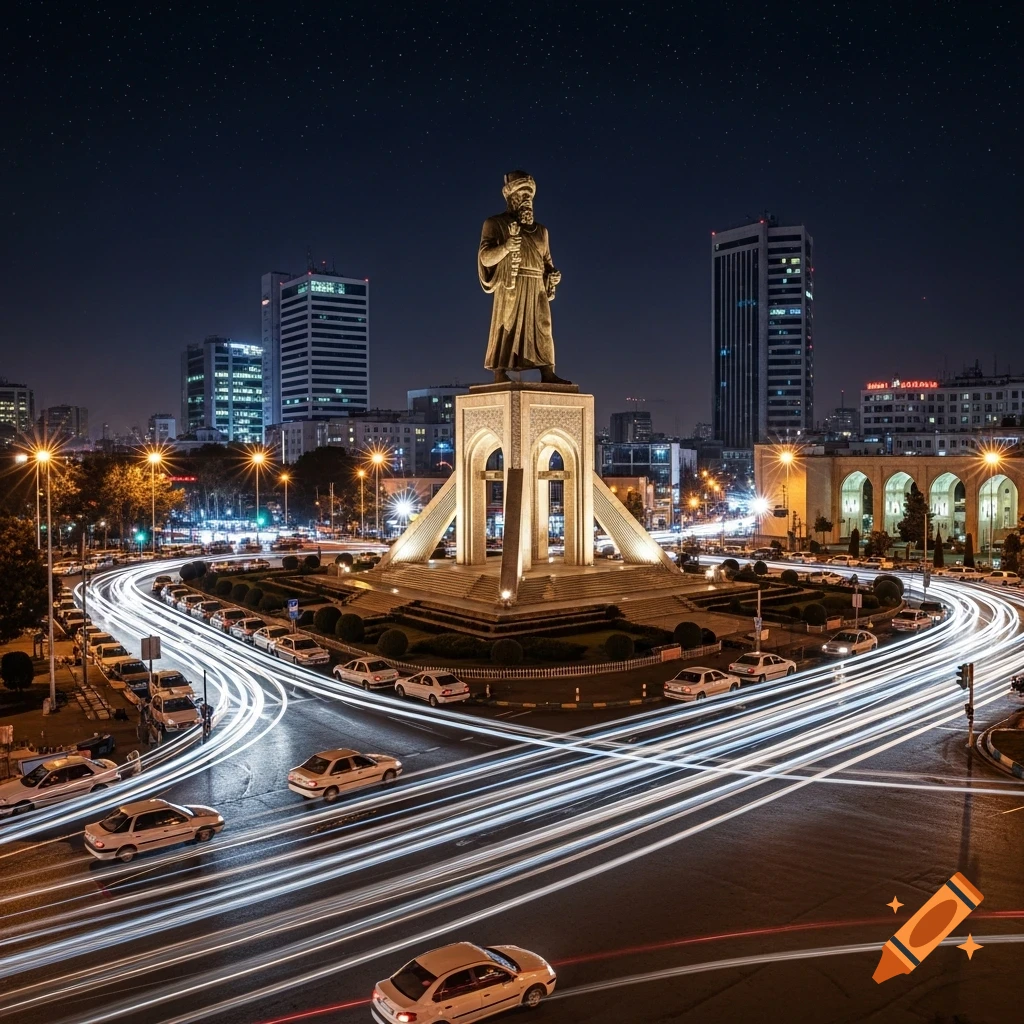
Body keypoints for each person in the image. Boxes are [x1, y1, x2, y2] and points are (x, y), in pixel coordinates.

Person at [478, 170, 569, 385]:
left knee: (543, 327)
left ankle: (548, 370)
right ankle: (500, 371)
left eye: (529, 197)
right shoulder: (495, 224)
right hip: (512, 284)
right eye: (521, 196)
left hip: (537, 286)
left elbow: (547, 262)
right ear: (511, 199)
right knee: (506, 326)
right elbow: (485, 257)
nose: (526, 202)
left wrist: (552, 276)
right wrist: (506, 247)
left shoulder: (542, 232)